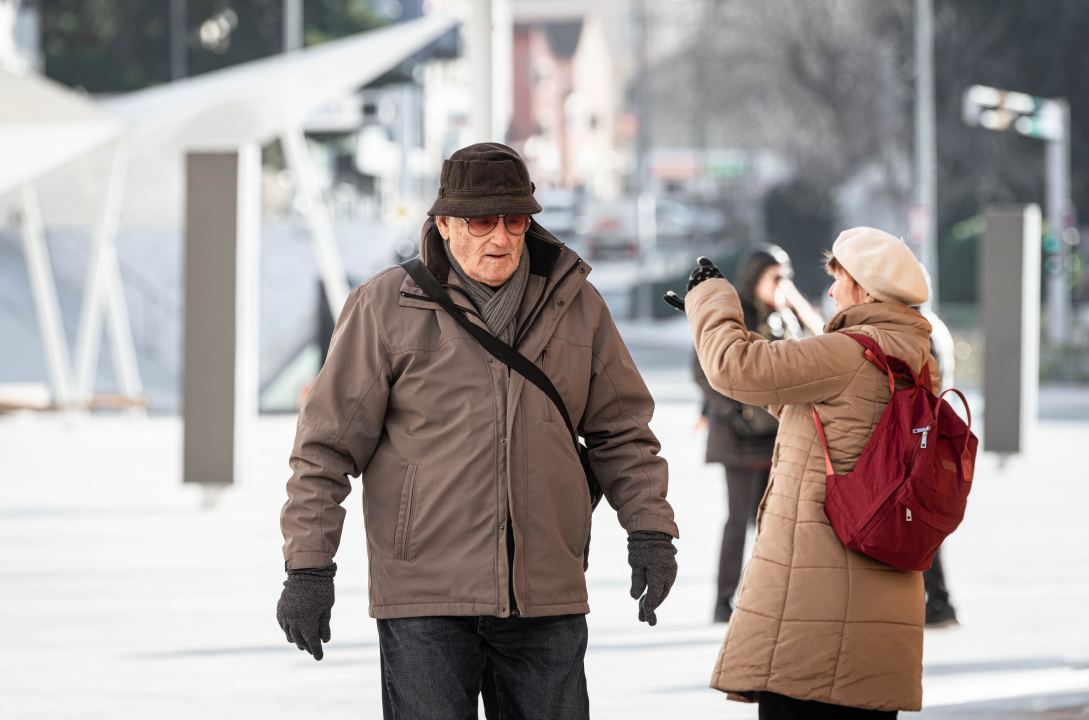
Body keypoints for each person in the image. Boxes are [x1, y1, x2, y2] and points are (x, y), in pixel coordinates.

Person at [275, 143, 679, 719]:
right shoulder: (383, 307)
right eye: (483, 221)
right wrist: (309, 568)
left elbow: (623, 432)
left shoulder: (577, 305)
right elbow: (325, 449)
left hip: (545, 594)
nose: (502, 237)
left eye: (515, 220)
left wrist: (651, 533)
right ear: (444, 224)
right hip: (425, 599)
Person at [683, 227, 936, 718]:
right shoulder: (910, 355)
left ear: (866, 290)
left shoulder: (849, 350)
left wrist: (711, 300)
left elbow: (734, 366)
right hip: (877, 606)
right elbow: (816, 411)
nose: (832, 291)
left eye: (840, 278)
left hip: (819, 613)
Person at [692, 244, 823, 623]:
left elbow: (810, 355)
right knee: (738, 520)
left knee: (775, 522)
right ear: (755, 277)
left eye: (787, 276)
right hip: (739, 437)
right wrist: (736, 413)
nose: (782, 284)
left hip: (777, 436)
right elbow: (704, 367)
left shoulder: (787, 316)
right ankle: (723, 601)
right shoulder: (734, 315)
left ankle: (767, 598)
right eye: (775, 277)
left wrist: (794, 305)